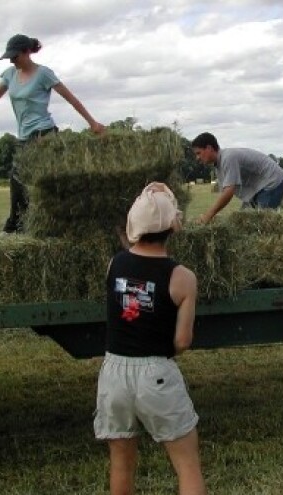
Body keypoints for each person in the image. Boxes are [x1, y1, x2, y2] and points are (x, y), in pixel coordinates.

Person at [94, 182, 206, 495]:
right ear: (173, 226)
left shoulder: (113, 264)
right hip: (155, 373)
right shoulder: (182, 277)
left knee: (121, 462)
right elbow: (182, 341)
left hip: (113, 373)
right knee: (187, 464)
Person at [0, 33, 106, 233]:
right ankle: (26, 225)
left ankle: (14, 227)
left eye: (15, 56)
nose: (12, 60)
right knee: (20, 182)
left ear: (26, 52)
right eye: (9, 57)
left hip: (43, 134)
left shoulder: (43, 74)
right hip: (23, 136)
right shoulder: (10, 74)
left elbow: (71, 99)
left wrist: (93, 123)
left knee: (19, 179)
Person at [191, 132, 283, 224]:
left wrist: (208, 215)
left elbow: (229, 192)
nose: (197, 158)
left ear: (209, 148)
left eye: (198, 153)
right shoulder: (219, 166)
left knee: (261, 225)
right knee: (244, 221)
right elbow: (223, 193)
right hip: (258, 188)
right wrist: (212, 215)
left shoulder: (228, 158)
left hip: (272, 182)